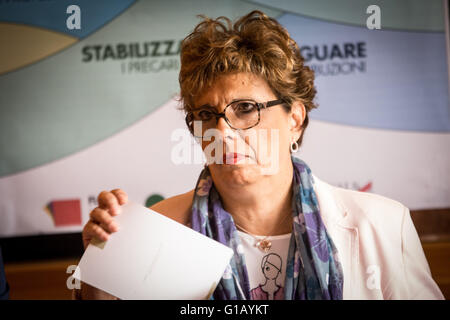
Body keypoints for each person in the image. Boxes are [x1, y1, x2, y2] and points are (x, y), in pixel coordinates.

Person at [73, 11, 444, 300]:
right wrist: (103, 275)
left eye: (246, 108)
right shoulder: (156, 229)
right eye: (206, 115)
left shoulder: (382, 224)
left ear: (295, 118)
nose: (223, 131)